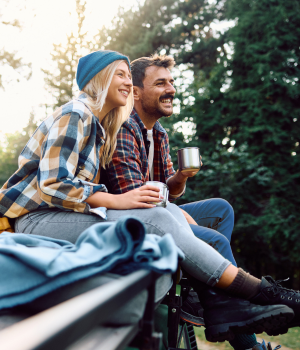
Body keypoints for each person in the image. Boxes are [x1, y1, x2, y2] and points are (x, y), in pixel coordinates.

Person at [0, 50, 298, 345]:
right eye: (121, 74)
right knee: (157, 219)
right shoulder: (75, 114)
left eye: (129, 76)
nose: (128, 83)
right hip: (35, 219)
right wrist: (117, 200)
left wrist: (176, 185)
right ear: (97, 79)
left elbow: (156, 190)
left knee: (189, 213)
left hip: (66, 216)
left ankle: (227, 300)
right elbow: (52, 184)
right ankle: (258, 293)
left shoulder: (103, 127)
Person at [100, 54, 300, 347]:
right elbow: (135, 200)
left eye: (171, 82)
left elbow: (170, 191)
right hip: (131, 222)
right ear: (136, 92)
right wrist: (180, 215)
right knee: (213, 241)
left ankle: (204, 286)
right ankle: (244, 335)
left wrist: (180, 176)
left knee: (220, 209)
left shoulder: (159, 134)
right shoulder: (124, 127)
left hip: (156, 210)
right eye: (160, 83)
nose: (171, 89)